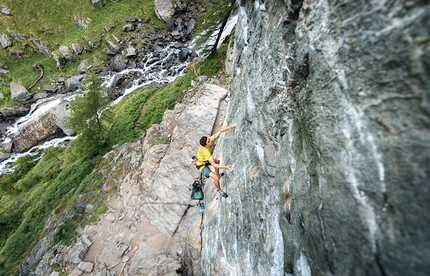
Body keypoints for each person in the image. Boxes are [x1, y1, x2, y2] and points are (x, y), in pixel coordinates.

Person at [195, 124, 236, 198]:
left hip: (204, 160)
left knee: (217, 161)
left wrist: (231, 127)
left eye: (209, 139)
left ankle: (218, 175)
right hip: (201, 165)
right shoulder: (206, 152)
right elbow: (213, 165)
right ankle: (220, 190)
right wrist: (226, 167)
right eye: (209, 141)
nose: (211, 141)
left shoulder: (209, 141)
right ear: (206, 145)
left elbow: (220, 131)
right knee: (215, 178)